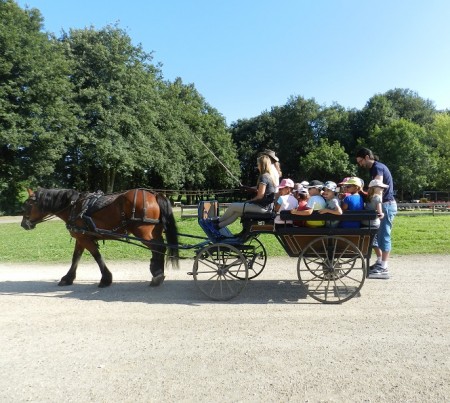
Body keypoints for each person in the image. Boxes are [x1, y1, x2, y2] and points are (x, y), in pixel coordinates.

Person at [356, 147, 397, 279]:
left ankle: (384, 267)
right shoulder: (376, 168)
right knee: (378, 236)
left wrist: (371, 200)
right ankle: (380, 262)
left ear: (367, 157)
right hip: (383, 205)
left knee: (384, 235)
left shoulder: (377, 168)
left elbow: (377, 189)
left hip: (386, 205)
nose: (360, 164)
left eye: (360, 161)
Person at [208, 154, 276, 231]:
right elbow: (260, 189)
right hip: (267, 208)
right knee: (237, 213)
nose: (257, 166)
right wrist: (247, 188)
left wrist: (249, 201)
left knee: (233, 206)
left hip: (262, 208)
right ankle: (218, 226)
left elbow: (260, 196)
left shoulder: (264, 177)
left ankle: (217, 221)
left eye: (258, 164)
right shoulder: (269, 177)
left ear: (262, 164)